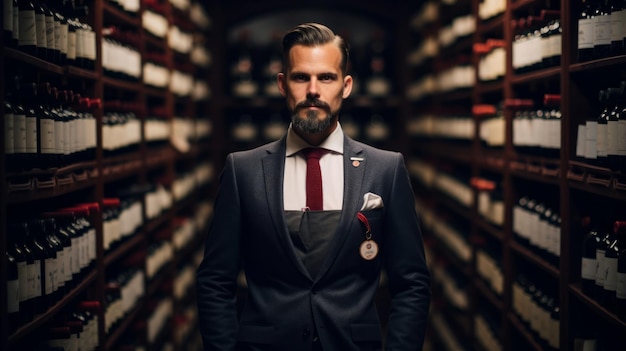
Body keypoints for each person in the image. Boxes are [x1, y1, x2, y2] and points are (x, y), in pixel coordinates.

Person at [196, 22, 431, 351]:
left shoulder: (386, 169)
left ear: (346, 86)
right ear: (282, 84)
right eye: (300, 77)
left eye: (326, 77)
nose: (313, 91)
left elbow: (411, 284)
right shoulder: (242, 170)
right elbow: (215, 282)